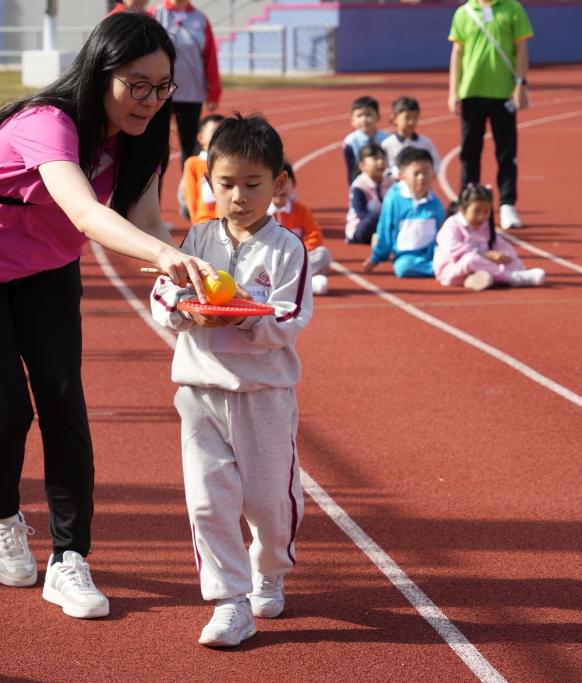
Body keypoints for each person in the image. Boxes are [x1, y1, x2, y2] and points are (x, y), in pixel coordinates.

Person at [0, 12, 216, 620]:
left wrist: (186, 281)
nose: (151, 100)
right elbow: (86, 213)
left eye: (163, 87)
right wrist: (166, 257)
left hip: (47, 268)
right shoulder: (48, 122)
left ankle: (69, 558)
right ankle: (3, 517)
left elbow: (147, 222)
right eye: (137, 85)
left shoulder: (144, 138)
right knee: (6, 409)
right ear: (100, 73)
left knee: (63, 403)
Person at [150, 114, 310, 648]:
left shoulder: (288, 249)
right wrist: (185, 310)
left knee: (268, 506)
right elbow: (163, 294)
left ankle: (270, 570)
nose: (239, 196)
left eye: (252, 183)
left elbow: (289, 318)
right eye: (226, 184)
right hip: (200, 393)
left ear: (278, 184)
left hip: (263, 397)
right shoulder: (196, 239)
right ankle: (229, 602)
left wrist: (242, 314)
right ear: (208, 183)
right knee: (207, 502)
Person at [448, 0, 532, 229]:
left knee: (506, 152)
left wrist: (521, 83)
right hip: (471, 91)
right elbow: (457, 53)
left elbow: (522, 48)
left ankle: (507, 204)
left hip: (504, 93)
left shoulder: (512, 8)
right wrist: (453, 91)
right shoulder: (464, 12)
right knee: (469, 152)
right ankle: (467, 201)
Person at [149, 0, 221, 171]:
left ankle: (189, 186)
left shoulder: (200, 19)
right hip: (161, 93)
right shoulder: (155, 14)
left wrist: (214, 91)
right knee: (156, 145)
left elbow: (210, 56)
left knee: (190, 146)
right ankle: (153, 186)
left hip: (192, 94)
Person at [434, 184, 546, 290]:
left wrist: (504, 256)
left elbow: (502, 244)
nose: (481, 216)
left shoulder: (485, 227)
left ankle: (476, 279)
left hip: (480, 266)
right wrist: (487, 256)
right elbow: (452, 249)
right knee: (472, 259)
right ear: (463, 210)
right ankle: (511, 278)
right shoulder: (452, 224)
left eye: (486, 211)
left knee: (514, 261)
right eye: (476, 211)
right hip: (451, 271)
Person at [363, 148, 444, 278]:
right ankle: (442, 269)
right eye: (416, 173)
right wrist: (377, 257)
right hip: (407, 256)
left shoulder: (435, 202)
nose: (421, 177)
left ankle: (444, 267)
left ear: (433, 174)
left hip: (432, 252)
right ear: (402, 175)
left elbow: (442, 232)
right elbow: (385, 229)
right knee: (402, 268)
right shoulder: (394, 199)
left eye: (426, 172)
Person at [268, 161, 330, 295]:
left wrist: (297, 251)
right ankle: (300, 285)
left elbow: (316, 236)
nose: (281, 188)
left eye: (286, 183)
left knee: (323, 254)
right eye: (276, 183)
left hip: (295, 260)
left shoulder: (301, 210)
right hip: (269, 262)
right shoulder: (261, 212)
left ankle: (287, 285)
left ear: (293, 185)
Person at [381, 96, 442, 179]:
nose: (411, 121)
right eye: (407, 117)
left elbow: (436, 162)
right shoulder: (387, 144)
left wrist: (429, 174)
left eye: (415, 117)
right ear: (394, 118)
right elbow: (384, 168)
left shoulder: (425, 143)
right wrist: (393, 176)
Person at [346, 143, 396, 245]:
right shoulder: (359, 185)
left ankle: (382, 237)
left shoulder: (391, 183)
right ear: (362, 166)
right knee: (371, 219)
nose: (381, 162)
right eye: (375, 158)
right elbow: (361, 213)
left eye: (383, 158)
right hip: (363, 224)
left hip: (386, 222)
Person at [181, 113, 223, 224]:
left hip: (228, 223)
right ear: (201, 138)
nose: (220, 137)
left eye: (223, 132)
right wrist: (197, 225)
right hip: (205, 222)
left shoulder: (233, 163)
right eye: (214, 132)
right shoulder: (193, 164)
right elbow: (191, 198)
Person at [342, 96, 390, 185]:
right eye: (359, 116)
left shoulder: (387, 139)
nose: (364, 119)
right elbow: (352, 170)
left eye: (369, 114)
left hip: (386, 183)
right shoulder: (350, 142)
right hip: (363, 184)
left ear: (378, 116)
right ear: (352, 120)